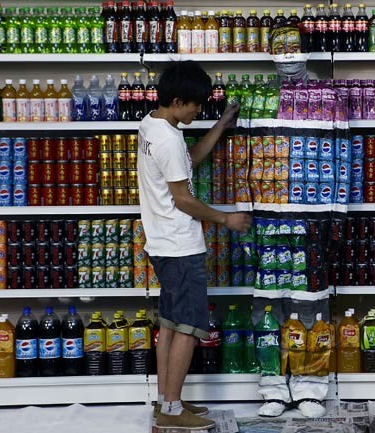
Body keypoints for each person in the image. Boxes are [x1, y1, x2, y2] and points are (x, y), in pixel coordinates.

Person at [137, 61, 252, 430]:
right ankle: (171, 413)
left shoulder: (152, 124)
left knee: (170, 325)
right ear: (176, 100)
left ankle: (165, 402)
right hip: (180, 246)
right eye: (196, 105)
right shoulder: (168, 138)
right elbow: (184, 199)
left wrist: (220, 126)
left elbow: (189, 161)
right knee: (188, 327)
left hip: (161, 244)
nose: (199, 111)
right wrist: (225, 218)